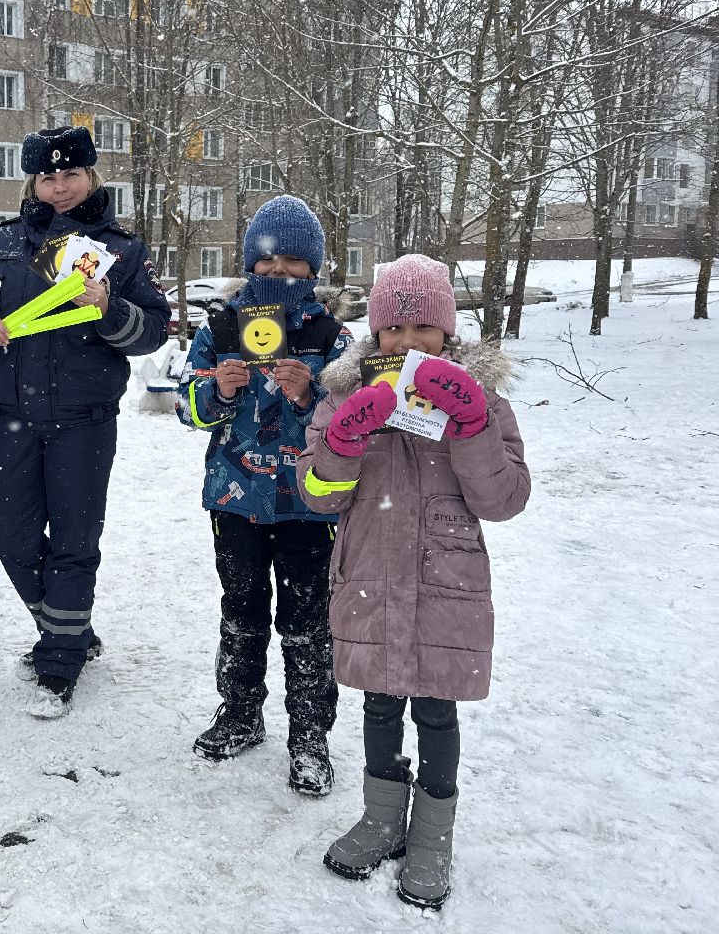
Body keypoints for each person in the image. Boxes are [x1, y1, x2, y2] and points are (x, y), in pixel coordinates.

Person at [297, 253, 530, 910]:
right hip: (371, 578)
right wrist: (341, 441)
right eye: (392, 332)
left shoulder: (481, 400)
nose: (404, 345)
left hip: (443, 585)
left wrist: (473, 424)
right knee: (377, 702)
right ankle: (379, 818)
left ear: (446, 332)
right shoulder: (345, 394)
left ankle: (432, 834)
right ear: (374, 333)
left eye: (420, 330)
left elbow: (505, 499)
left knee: (434, 709)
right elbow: (318, 496)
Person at [0, 126, 169, 718]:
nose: (60, 186)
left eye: (72, 174)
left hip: (84, 421)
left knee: (74, 541)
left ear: (92, 177)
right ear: (33, 182)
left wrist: (108, 307)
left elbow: (151, 331)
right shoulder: (3, 243)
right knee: (10, 533)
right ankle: (68, 627)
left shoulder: (120, 251)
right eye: (48, 176)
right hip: (13, 416)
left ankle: (59, 661)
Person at [176, 195, 354, 795]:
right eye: (268, 264)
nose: (278, 275)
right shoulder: (222, 327)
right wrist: (216, 394)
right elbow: (184, 405)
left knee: (308, 620)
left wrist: (311, 397)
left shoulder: (332, 337)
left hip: (308, 503)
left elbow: (352, 420)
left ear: (315, 270)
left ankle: (309, 733)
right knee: (242, 609)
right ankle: (240, 712)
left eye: (293, 265)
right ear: (250, 264)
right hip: (235, 499)